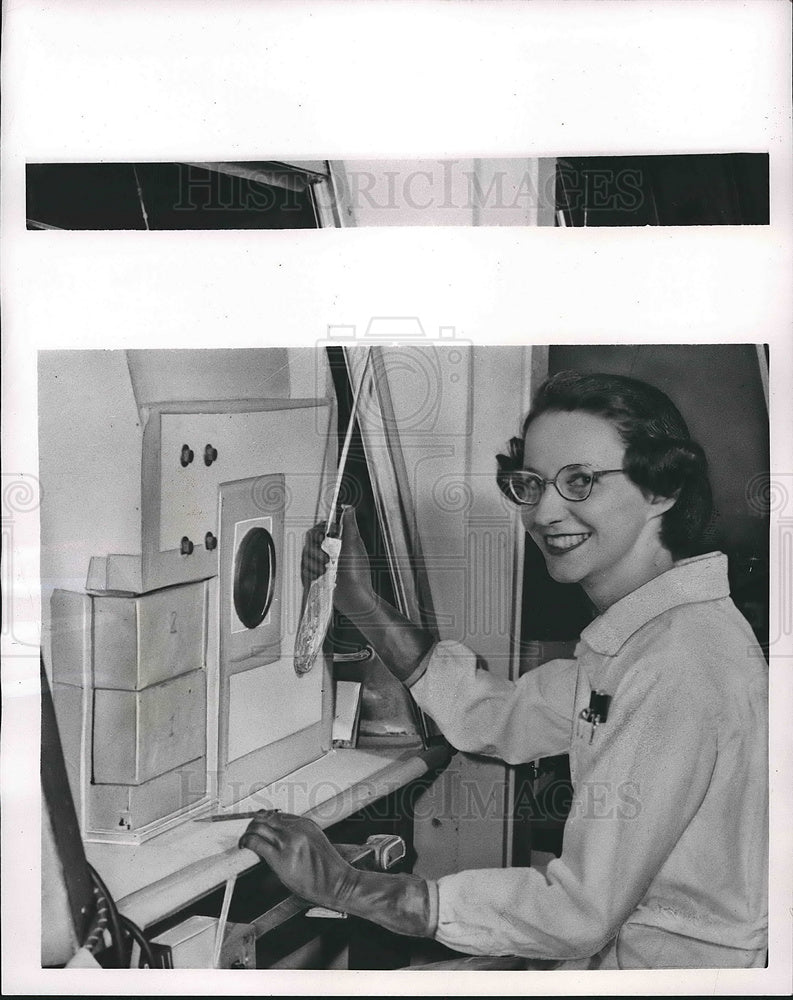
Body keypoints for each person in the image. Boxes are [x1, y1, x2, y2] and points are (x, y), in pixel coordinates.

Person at [239, 370, 768, 970]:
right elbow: (497, 716)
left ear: (661, 490)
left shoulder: (680, 662)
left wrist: (346, 889)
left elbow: (577, 916)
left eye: (580, 482)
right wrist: (361, 600)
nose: (545, 512)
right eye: (532, 485)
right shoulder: (650, 635)